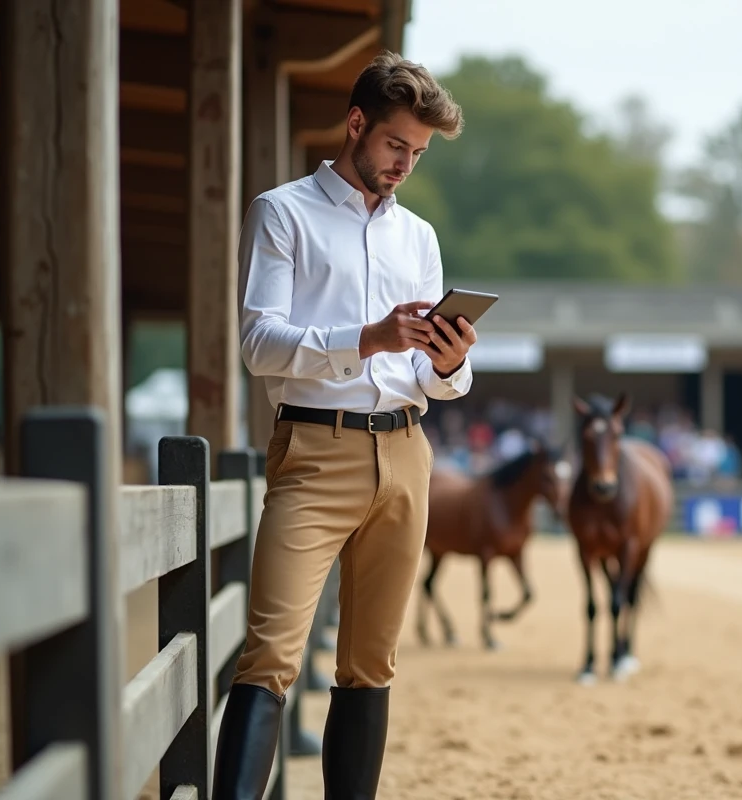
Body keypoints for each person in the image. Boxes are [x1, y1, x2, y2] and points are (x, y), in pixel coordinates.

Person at [212, 52, 475, 799]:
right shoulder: (282, 211)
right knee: (268, 658)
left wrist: (451, 363)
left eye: (418, 154)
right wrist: (367, 338)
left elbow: (433, 376)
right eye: (396, 145)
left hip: (406, 453)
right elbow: (257, 344)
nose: (404, 165)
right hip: (314, 451)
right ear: (356, 124)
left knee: (372, 664)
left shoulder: (417, 238)